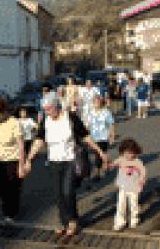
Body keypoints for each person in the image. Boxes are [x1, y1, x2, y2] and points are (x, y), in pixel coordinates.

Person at [24, 93, 109, 236]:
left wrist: (100, 151)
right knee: (59, 195)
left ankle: (73, 222)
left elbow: (85, 135)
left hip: (70, 160)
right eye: (45, 109)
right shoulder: (46, 121)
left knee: (68, 191)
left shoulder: (70, 118)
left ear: (57, 106)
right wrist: (29, 159)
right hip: (54, 162)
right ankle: (65, 222)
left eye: (49, 109)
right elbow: (39, 140)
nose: (47, 112)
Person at [0, 96, 25, 223]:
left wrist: (21, 164)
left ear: (2, 111)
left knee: (12, 189)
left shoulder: (14, 122)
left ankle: (10, 214)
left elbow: (21, 144)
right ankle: (7, 203)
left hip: (12, 161)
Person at [106, 139, 146, 231]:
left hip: (134, 187)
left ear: (135, 152)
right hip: (123, 187)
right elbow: (112, 164)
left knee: (133, 204)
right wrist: (108, 164)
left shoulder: (137, 162)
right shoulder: (120, 160)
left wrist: (141, 180)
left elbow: (143, 171)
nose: (128, 155)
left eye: (131, 153)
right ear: (122, 152)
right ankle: (120, 222)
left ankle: (134, 219)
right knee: (121, 205)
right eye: (126, 153)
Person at [87, 95, 115, 182]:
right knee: (97, 154)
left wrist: (112, 136)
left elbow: (111, 124)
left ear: (101, 102)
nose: (97, 103)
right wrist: (86, 135)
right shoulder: (90, 112)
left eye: (98, 102)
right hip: (93, 137)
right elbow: (87, 125)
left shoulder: (106, 112)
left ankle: (100, 170)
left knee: (101, 153)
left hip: (103, 137)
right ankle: (101, 168)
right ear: (93, 103)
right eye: (95, 102)